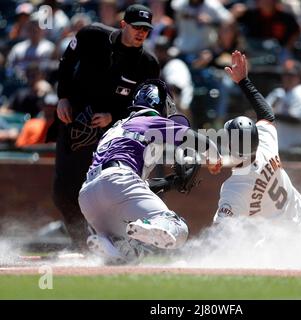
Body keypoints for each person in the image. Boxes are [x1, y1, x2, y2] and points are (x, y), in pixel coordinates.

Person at [49, 4, 161, 250]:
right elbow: (66, 63)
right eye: (136, 27)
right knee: (63, 191)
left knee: (100, 191)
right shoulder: (92, 35)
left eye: (146, 29)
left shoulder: (147, 64)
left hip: (113, 135)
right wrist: (63, 97)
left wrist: (113, 115)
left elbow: (145, 107)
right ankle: (82, 245)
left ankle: (116, 244)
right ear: (123, 25)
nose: (141, 33)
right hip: (75, 123)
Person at [78, 79, 222, 264]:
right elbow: (197, 140)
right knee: (177, 229)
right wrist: (214, 158)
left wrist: (170, 183)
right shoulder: (150, 120)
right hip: (117, 181)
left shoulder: (114, 128)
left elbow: (125, 188)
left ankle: (107, 244)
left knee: (130, 255)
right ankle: (142, 227)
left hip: (88, 194)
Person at [213, 51, 301, 238]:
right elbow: (267, 115)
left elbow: (218, 235)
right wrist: (244, 81)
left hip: (285, 242)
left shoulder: (234, 187)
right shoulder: (265, 146)